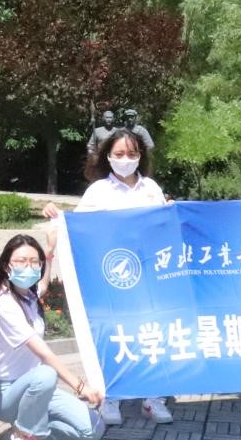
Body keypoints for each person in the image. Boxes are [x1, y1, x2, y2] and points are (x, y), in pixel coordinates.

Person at [41, 128, 171, 424]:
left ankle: (153, 396)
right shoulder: (99, 191)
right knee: (115, 332)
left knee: (151, 330)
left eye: (132, 154)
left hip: (149, 275)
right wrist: (57, 217)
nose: (126, 159)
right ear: (108, 157)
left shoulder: (151, 188)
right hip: (112, 275)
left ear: (141, 155)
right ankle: (110, 396)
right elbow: (77, 227)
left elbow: (163, 226)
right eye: (119, 154)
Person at [0, 234, 105, 440]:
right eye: (21, 261)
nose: (28, 267)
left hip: (40, 389)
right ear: (6, 265)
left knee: (93, 430)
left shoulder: (28, 295)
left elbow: (42, 285)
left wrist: (50, 252)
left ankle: (37, 425)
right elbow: (44, 353)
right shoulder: (4, 303)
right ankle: (22, 437)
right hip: (8, 393)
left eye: (34, 262)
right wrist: (79, 386)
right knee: (46, 373)